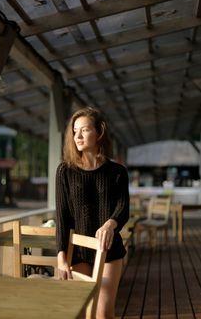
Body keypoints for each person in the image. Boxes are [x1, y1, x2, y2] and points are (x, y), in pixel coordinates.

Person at [55, 107, 129, 319]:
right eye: (75, 131)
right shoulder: (65, 171)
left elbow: (123, 208)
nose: (77, 136)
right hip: (77, 251)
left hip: (109, 251)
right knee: (80, 313)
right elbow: (62, 218)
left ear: (99, 133)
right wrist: (61, 259)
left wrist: (110, 224)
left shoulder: (117, 172)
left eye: (85, 130)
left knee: (103, 314)